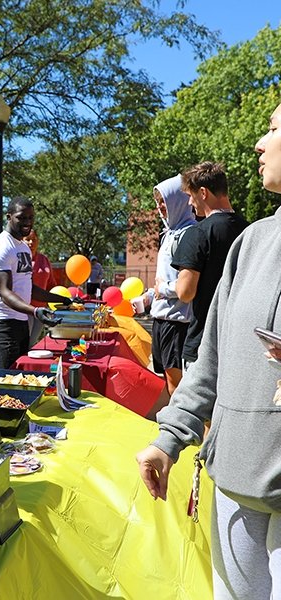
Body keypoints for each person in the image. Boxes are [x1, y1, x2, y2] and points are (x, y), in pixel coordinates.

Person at [136, 102, 281, 599]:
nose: (260, 144)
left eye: (273, 128)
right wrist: (168, 438)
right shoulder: (250, 242)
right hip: (234, 482)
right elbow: (211, 361)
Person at [171, 162, 249, 368]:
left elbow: (185, 293)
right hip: (240, 344)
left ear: (203, 193)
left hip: (204, 345)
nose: (189, 203)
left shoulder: (197, 233)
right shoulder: (251, 231)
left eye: (191, 195)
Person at [0, 197, 72, 369]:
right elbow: (5, 293)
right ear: (9, 217)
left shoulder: (23, 247)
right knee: (7, 379)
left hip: (21, 322)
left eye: (31, 218)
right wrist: (35, 311)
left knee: (21, 374)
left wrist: (63, 300)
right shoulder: (1, 246)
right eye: (22, 217)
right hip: (1, 323)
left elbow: (29, 288)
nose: (27, 222)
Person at [143, 175, 195, 398]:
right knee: (168, 382)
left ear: (179, 201)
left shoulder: (189, 234)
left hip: (176, 322)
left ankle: (186, 431)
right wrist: (149, 296)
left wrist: (163, 289)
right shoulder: (169, 233)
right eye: (158, 202)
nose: (160, 207)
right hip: (162, 319)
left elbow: (188, 286)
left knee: (178, 387)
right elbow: (163, 280)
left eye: (164, 201)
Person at [23, 228, 57, 348]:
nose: (31, 243)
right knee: (25, 344)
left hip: (42, 310)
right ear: (22, 240)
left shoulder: (44, 259)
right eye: (28, 240)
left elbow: (51, 284)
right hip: (25, 309)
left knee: (33, 344)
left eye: (34, 239)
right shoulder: (21, 259)